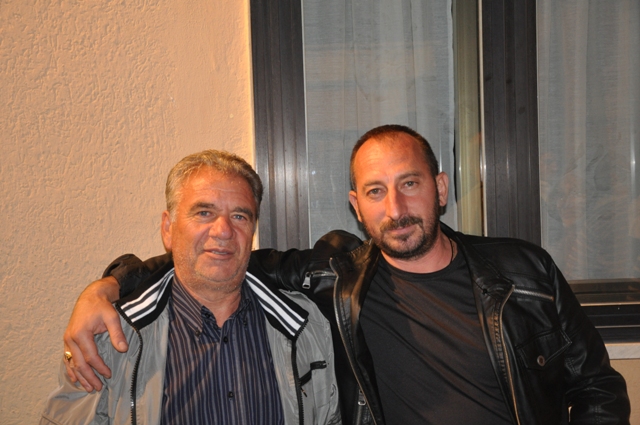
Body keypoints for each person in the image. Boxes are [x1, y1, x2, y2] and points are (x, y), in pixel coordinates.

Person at [62, 126, 630, 424]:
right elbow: (213, 258)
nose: (396, 208)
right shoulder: (334, 277)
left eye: (410, 184)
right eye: (376, 192)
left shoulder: (525, 270)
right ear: (357, 206)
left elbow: (599, 388)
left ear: (440, 188)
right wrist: (107, 286)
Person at [41, 150, 341, 425]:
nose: (224, 231)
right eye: (204, 213)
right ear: (168, 229)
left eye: (239, 216)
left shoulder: (308, 326)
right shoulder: (109, 337)